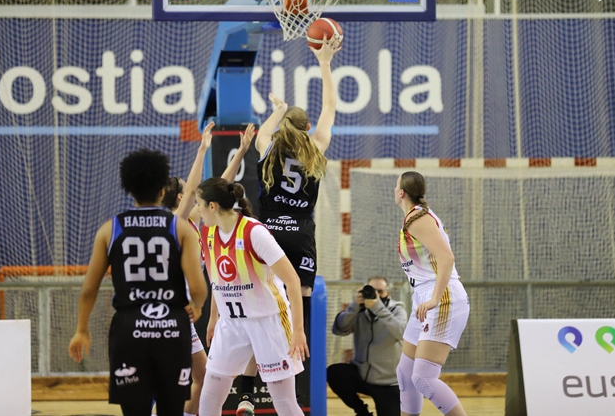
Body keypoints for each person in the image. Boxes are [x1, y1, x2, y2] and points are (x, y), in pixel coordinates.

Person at [239, 33, 340, 414]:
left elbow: (266, 130)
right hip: (300, 237)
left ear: (283, 127)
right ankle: (294, 389)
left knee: (263, 311)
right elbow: (330, 106)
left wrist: (278, 109)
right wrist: (325, 64)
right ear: (307, 127)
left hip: (267, 235)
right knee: (300, 310)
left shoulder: (268, 147)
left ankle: (247, 391)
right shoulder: (316, 149)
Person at [68, 148, 207, 416]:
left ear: (129, 189)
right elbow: (198, 287)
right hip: (170, 326)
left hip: (129, 329)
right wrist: (197, 304)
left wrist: (82, 329)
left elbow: (89, 289)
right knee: (171, 409)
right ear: (161, 190)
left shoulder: (111, 229)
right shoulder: (179, 228)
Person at [161, 123, 256, 416]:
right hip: (169, 312)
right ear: (181, 199)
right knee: (177, 382)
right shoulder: (175, 223)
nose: (196, 195)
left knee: (202, 378)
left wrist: (241, 152)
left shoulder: (194, 221)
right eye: (188, 192)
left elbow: (219, 186)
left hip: (182, 313)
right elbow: (194, 188)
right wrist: (202, 149)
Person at [194, 176, 309, 416]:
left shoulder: (254, 232)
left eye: (199, 204)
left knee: (284, 401)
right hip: (231, 324)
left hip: (269, 322)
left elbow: (292, 280)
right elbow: (219, 280)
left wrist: (298, 330)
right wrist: (214, 317)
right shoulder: (207, 232)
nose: (198, 210)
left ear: (212, 206)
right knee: (210, 396)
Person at [394, 171, 470, 416]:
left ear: (401, 192)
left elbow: (447, 257)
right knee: (405, 372)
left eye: (396, 185)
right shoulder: (416, 216)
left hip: (440, 298)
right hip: (426, 297)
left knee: (423, 378)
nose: (394, 190)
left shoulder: (418, 218)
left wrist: (436, 298)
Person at [328, 276, 407, 416]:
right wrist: (354, 307)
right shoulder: (359, 310)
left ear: (388, 294)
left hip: (388, 383)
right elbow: (339, 329)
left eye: (380, 291)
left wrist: (378, 308)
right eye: (371, 290)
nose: (376, 295)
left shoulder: (397, 310)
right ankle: (362, 412)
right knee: (335, 372)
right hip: (362, 375)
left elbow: (402, 333)